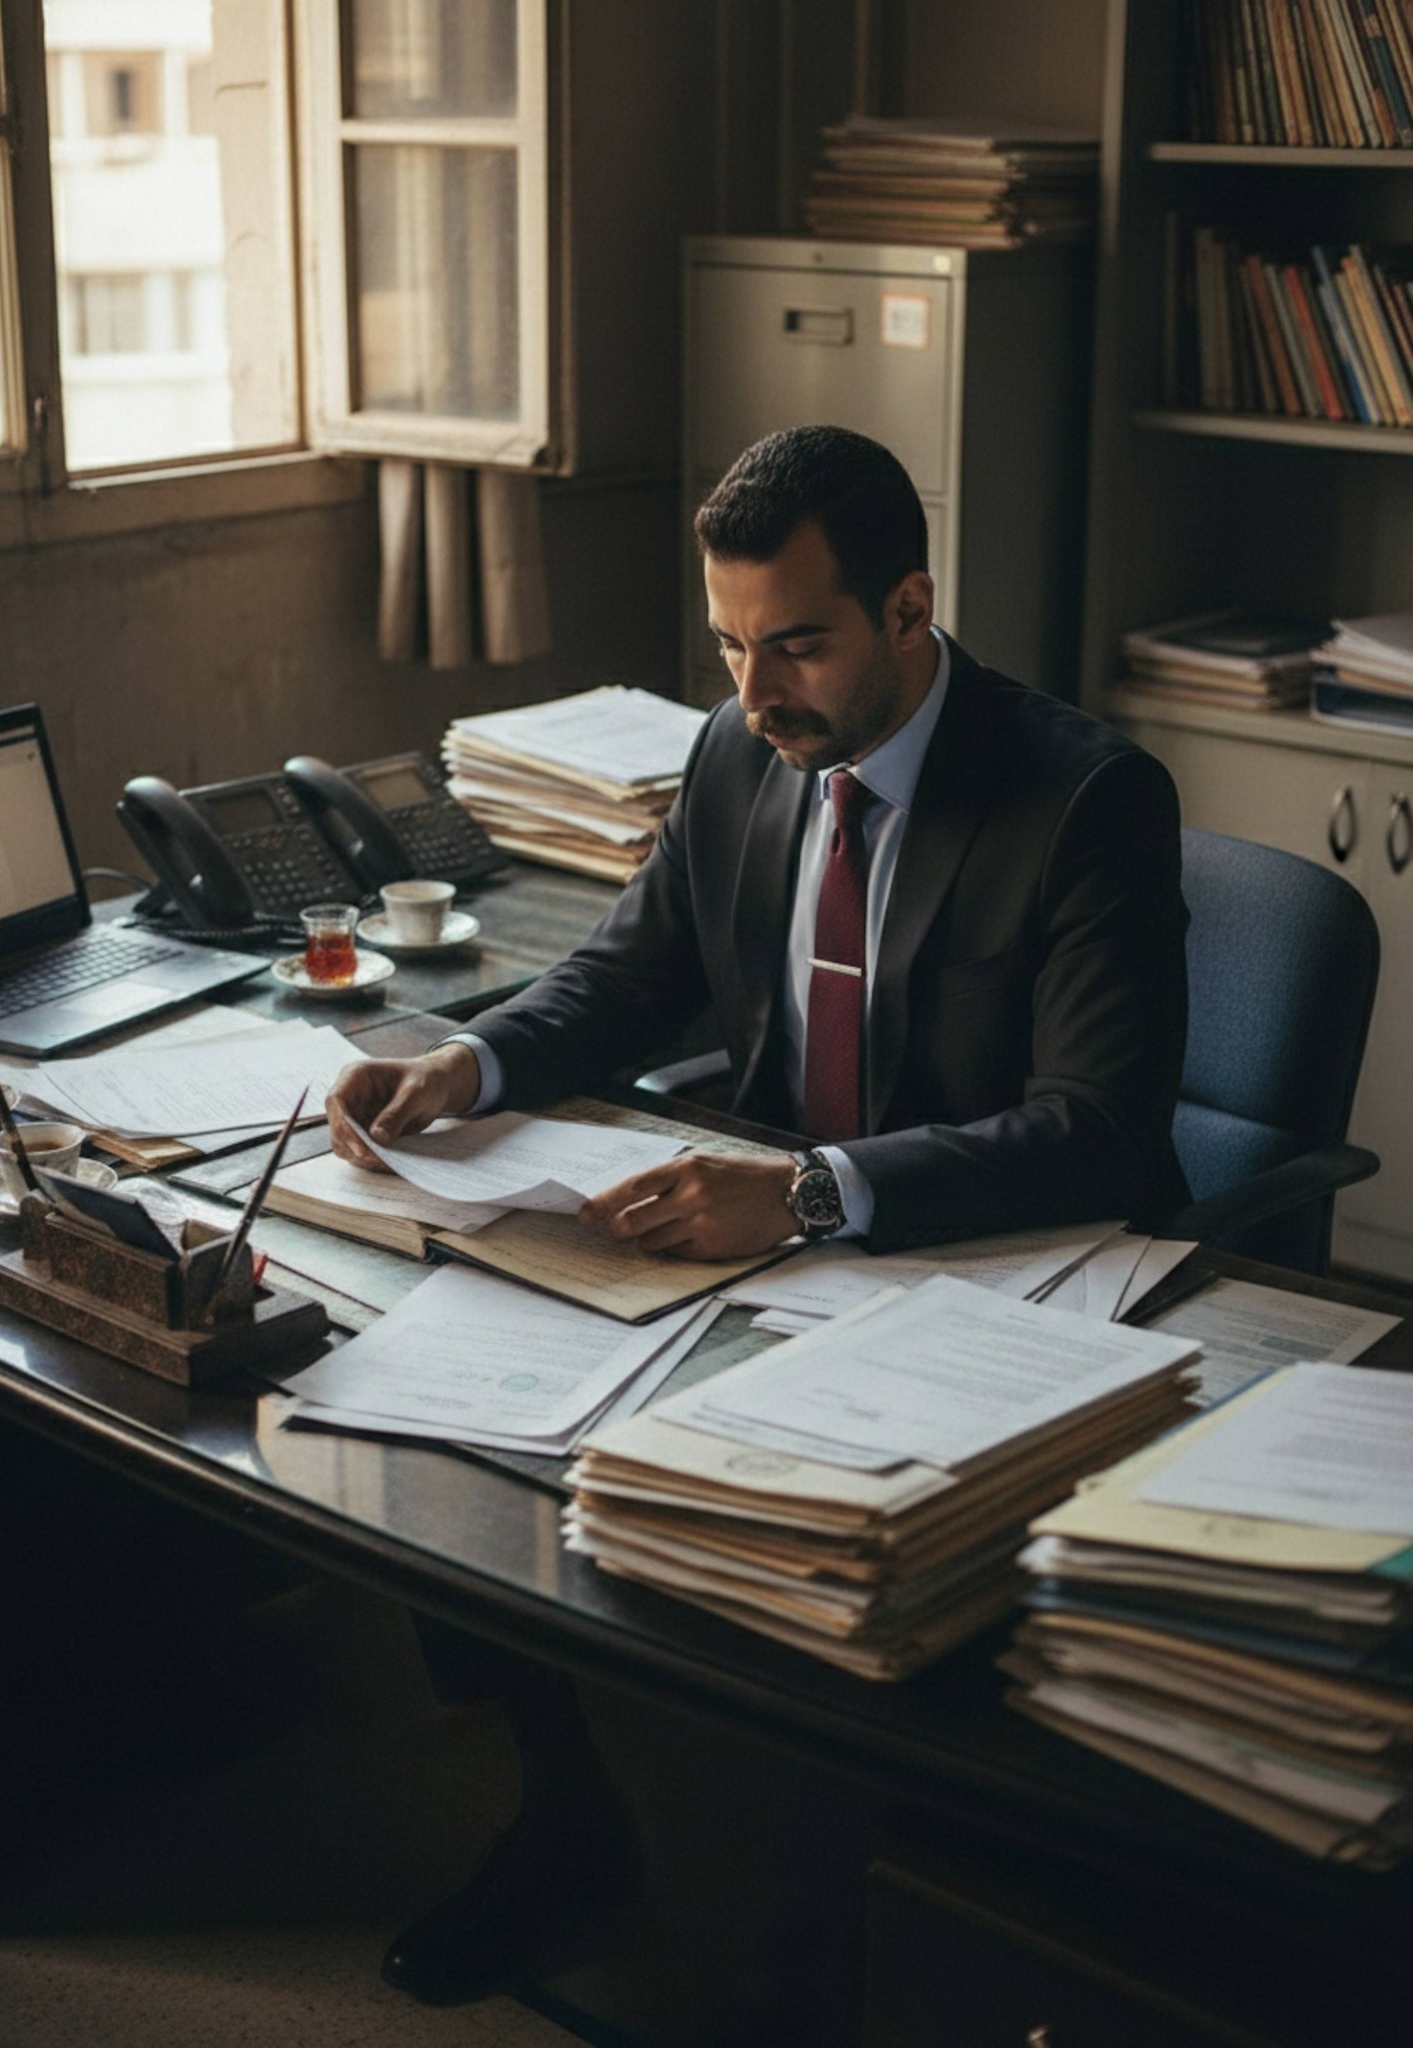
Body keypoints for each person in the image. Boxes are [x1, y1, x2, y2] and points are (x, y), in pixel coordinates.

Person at [326, 425, 1191, 2003]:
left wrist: (805, 1191)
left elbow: (1102, 1134)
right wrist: (474, 1055)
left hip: (991, 1274)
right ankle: (567, 1805)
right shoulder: (740, 752)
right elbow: (634, 968)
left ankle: (878, 1925)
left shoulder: (1084, 799)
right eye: (729, 643)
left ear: (912, 607)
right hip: (770, 1264)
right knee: (436, 1424)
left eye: (795, 641)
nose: (753, 689)